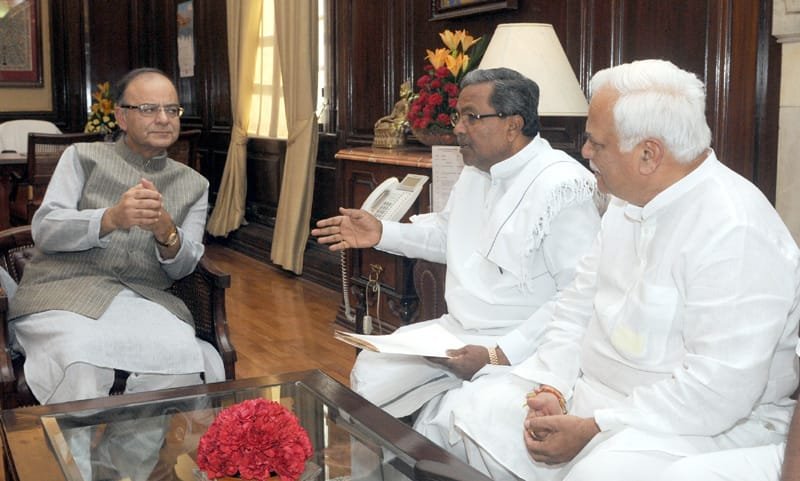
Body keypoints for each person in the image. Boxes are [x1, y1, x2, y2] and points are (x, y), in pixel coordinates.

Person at [412, 58, 800, 481]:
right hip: (591, 395)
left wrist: (596, 426)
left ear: (648, 154)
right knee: (465, 411)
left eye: (598, 143)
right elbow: (575, 309)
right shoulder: (626, 202)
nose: (585, 152)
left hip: (698, 425)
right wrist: (552, 388)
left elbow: (717, 393)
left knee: (601, 473)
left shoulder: (734, 228)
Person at [312, 67, 600, 418]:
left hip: (523, 346)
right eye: (458, 116)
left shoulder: (562, 186)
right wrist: (382, 233)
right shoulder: (477, 171)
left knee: (460, 416)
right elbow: (447, 235)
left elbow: (577, 297)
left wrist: (499, 353)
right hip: (456, 334)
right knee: (373, 372)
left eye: (471, 117)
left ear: (513, 124)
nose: (458, 128)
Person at [7, 67, 223, 480]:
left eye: (171, 109)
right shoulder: (82, 157)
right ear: (121, 117)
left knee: (178, 357)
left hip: (146, 299)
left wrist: (167, 233)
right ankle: (68, 472)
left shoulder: (193, 184)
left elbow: (185, 265)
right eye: (149, 108)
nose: (164, 118)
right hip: (63, 292)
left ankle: (121, 473)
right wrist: (110, 217)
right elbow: (45, 229)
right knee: (81, 362)